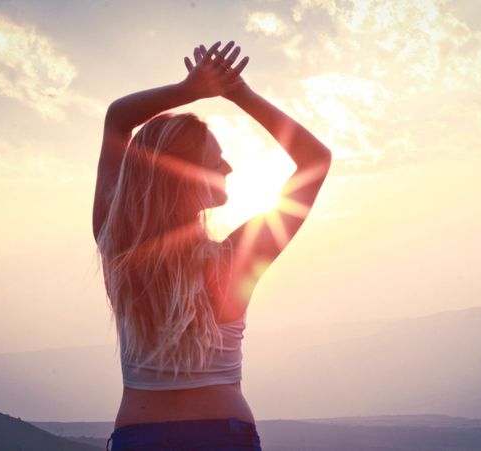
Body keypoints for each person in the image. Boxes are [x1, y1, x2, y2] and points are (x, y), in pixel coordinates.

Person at [94, 40, 332, 450]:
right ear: (186, 176)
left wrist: (191, 90)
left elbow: (118, 120)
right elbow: (315, 161)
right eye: (215, 159)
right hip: (221, 435)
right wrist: (239, 93)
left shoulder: (117, 246)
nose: (229, 167)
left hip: (140, 436)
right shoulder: (236, 257)